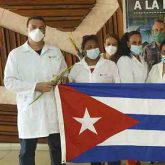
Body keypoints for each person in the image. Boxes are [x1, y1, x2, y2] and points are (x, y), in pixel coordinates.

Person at [4, 16, 67, 165]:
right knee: (27, 151)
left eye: (41, 27)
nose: (37, 30)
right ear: (27, 29)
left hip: (53, 110)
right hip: (30, 112)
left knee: (57, 149)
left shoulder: (55, 51)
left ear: (45, 30)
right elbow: (9, 82)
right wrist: (35, 87)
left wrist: (65, 79)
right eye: (33, 27)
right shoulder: (16, 54)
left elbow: (65, 73)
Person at [68, 35, 120, 165]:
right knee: (94, 151)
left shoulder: (110, 65)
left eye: (95, 46)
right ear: (83, 50)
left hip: (108, 114)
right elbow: (68, 90)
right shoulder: (76, 68)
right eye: (89, 47)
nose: (93, 49)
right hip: (88, 117)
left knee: (112, 151)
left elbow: (119, 88)